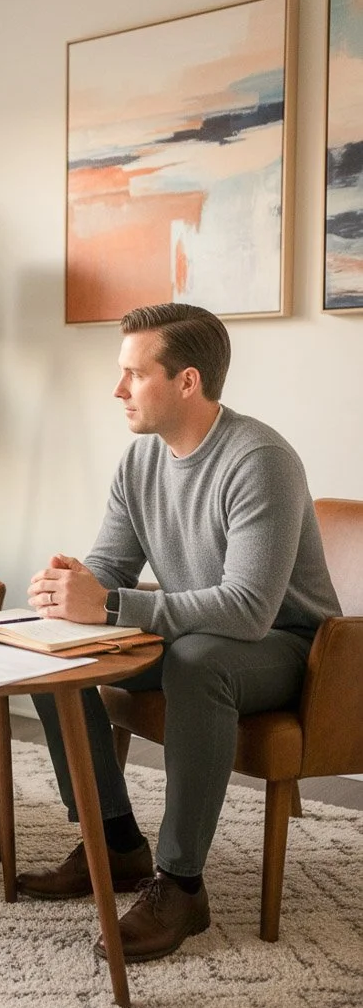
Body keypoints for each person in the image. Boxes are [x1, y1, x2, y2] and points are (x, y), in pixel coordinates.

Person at [17, 302, 341, 963]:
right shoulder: (141, 464)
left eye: (134, 375)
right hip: (198, 631)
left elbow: (249, 608)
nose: (117, 390)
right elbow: (110, 568)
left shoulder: (262, 459)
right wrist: (67, 586)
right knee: (51, 652)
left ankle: (182, 885)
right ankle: (113, 840)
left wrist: (107, 606)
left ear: (186, 382)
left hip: (291, 650)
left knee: (197, 662)